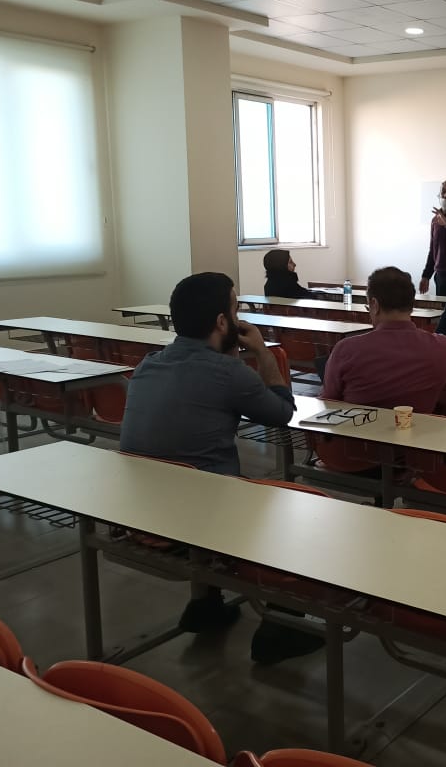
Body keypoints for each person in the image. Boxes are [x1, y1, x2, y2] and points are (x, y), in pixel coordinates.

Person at [119, 272, 310, 663]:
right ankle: (281, 627)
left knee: (194, 479)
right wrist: (263, 353)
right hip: (200, 521)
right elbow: (282, 413)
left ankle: (205, 603)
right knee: (295, 508)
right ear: (223, 322)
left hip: (140, 514)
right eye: (235, 310)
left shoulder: (148, 365)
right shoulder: (229, 373)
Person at [322, 266, 446, 412]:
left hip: (359, 425)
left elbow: (328, 401)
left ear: (375, 305)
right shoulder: (443, 348)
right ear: (412, 305)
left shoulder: (346, 349)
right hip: (416, 425)